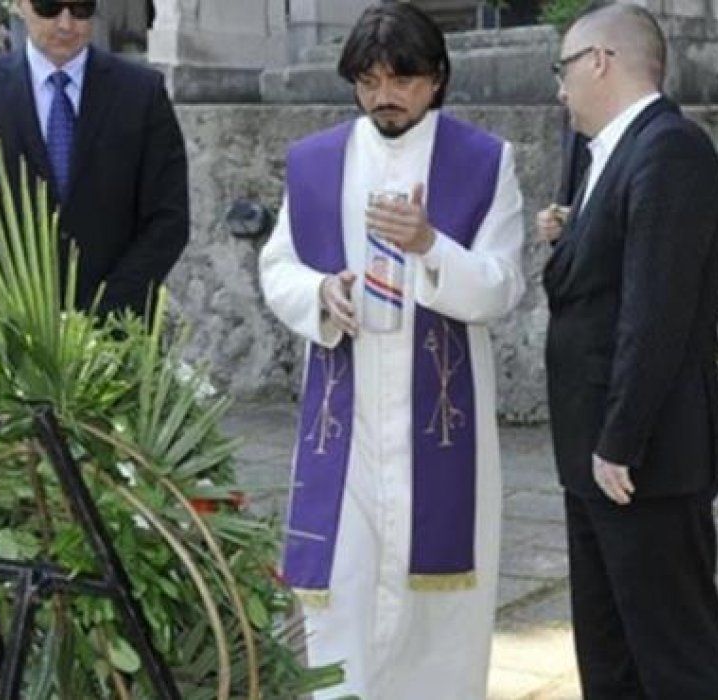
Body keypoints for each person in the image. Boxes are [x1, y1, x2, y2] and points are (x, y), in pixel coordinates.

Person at [258, 3, 524, 697]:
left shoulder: (485, 162)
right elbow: (277, 266)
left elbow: (502, 285)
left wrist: (429, 245)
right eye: (369, 81)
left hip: (438, 422)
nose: (385, 96)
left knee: (436, 616)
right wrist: (321, 292)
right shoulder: (315, 163)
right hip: (343, 424)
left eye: (402, 80)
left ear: (436, 78)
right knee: (343, 595)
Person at [541, 5, 718, 697]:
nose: (559, 89)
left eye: (564, 68)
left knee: (678, 663)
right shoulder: (608, 153)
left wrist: (619, 441)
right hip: (594, 457)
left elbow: (657, 314)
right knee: (610, 660)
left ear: (600, 61)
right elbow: (605, 280)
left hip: (642, 461)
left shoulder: (671, 150)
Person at [0, 0, 188, 318]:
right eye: (49, 7)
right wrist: (7, 308)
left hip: (119, 326)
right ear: (20, 6)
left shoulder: (142, 93)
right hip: (7, 324)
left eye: (81, 8)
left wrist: (104, 312)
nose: (66, 24)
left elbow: (168, 217)